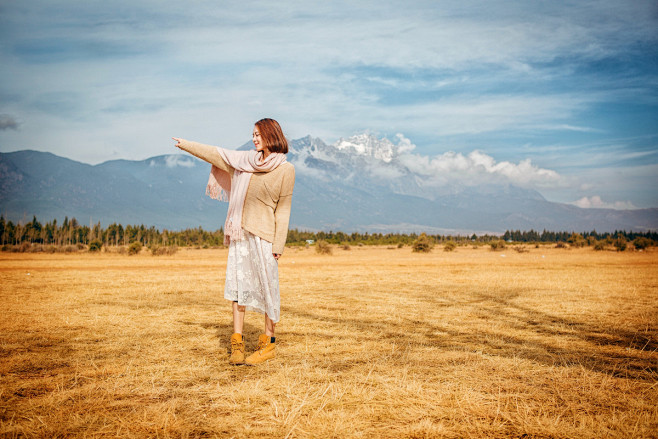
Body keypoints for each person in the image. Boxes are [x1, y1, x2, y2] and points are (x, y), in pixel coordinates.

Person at [172, 118, 295, 365]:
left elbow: (283, 210)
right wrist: (186, 144)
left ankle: (268, 345)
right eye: (253, 134)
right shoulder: (244, 163)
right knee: (238, 290)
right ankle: (236, 344)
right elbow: (217, 154)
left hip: (264, 239)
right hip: (240, 236)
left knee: (267, 290)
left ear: (271, 135)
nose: (254, 139)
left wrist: (278, 246)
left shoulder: (285, 169)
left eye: (258, 134)